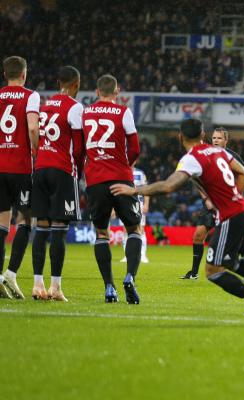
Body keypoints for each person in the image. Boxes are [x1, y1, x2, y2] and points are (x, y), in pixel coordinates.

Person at [111, 119, 244, 316]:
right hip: (242, 211)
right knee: (229, 262)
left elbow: (168, 186)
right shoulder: (219, 151)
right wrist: (234, 195)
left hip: (232, 215)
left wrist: (133, 190)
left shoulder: (192, 158)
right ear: (203, 135)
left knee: (213, 271)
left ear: (181, 136)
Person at [83, 74, 142, 304]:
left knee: (101, 233)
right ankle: (130, 276)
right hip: (121, 179)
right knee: (134, 229)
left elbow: (79, 147)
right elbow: (135, 147)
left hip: (96, 181)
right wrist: (126, 165)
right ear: (117, 92)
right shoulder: (123, 112)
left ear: (97, 92)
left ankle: (109, 287)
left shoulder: (85, 112)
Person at [30, 66, 85, 301]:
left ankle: (36, 285)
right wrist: (79, 172)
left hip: (40, 168)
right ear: (76, 83)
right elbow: (79, 147)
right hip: (62, 171)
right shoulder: (75, 107)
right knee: (60, 229)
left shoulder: (46, 104)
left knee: (41, 228)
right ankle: (55, 288)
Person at [181, 126, 244, 279]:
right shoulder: (206, 155)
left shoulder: (234, 157)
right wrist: (206, 199)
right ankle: (193, 272)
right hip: (210, 203)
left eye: (219, 138)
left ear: (226, 141)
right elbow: (196, 179)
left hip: (228, 202)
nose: (216, 140)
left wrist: (236, 195)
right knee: (199, 235)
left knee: (238, 238)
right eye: (214, 138)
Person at [0, 56, 40, 299]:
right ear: (24, 74)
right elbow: (33, 127)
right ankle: (11, 274)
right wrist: (35, 148)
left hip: (0, 168)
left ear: (5, 74)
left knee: (1, 224)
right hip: (21, 167)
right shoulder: (31, 96)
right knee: (25, 221)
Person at [120, 164, 150, 264]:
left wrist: (146, 204)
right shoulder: (121, 170)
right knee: (125, 229)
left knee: (141, 229)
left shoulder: (140, 173)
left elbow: (146, 189)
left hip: (138, 203)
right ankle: (126, 255)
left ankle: (143, 255)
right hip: (124, 203)